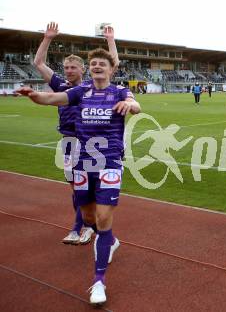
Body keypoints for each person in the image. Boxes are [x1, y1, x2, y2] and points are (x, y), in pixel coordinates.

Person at [16, 48, 141, 304]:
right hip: (83, 164)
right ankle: (110, 240)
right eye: (93, 63)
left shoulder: (119, 92)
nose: (96, 66)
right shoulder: (80, 92)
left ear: (110, 68)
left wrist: (130, 105)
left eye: (101, 64)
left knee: (104, 217)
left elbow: (136, 106)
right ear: (91, 69)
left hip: (110, 163)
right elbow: (53, 99)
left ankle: (98, 282)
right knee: (87, 217)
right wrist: (34, 95)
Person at [33, 22, 120, 245]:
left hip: (91, 143)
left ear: (83, 69)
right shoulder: (61, 85)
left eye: (73, 68)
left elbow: (113, 64)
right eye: (66, 68)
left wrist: (110, 40)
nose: (68, 71)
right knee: (75, 188)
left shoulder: (92, 85)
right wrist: (47, 38)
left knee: (88, 188)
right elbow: (39, 63)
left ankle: (80, 228)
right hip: (69, 142)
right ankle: (84, 226)